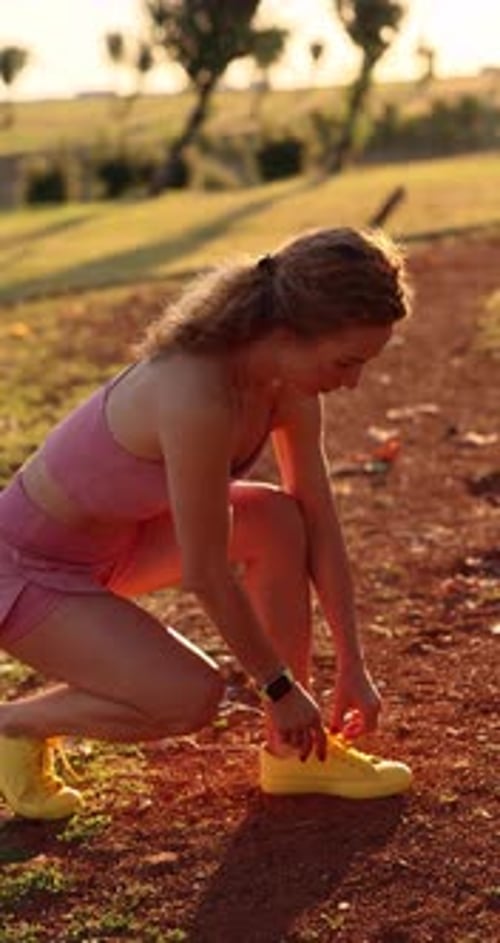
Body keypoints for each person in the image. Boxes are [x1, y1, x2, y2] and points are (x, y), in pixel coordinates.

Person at [0, 226, 413, 821]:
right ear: (287, 333)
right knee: (188, 697)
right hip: (27, 570)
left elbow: (319, 517)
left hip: (120, 543)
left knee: (277, 518)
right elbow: (206, 572)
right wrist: (278, 686)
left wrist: (352, 660)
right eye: (345, 361)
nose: (352, 381)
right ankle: (15, 724)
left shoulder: (286, 382)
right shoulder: (195, 393)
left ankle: (293, 753)